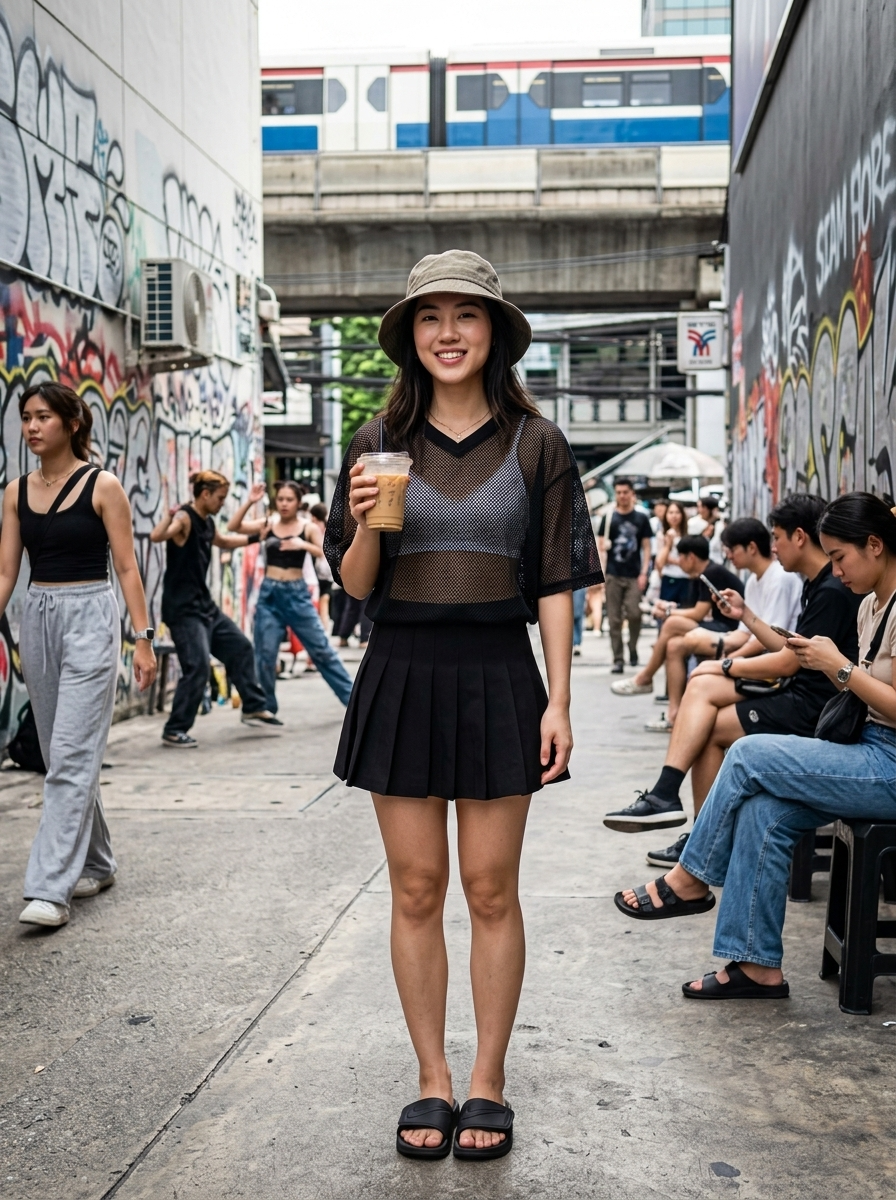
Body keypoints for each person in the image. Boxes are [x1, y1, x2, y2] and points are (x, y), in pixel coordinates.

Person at [324, 250, 603, 1161]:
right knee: (415, 888)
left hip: (498, 670)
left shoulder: (537, 443)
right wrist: (368, 517)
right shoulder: (372, 443)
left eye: (467, 315)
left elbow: (557, 582)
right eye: (430, 316)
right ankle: (430, 1081)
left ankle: (487, 1079)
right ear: (410, 335)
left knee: (490, 889)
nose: (448, 332)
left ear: (495, 334)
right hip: (400, 665)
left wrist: (560, 699)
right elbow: (356, 585)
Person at [614, 492, 896, 1001]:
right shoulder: (871, 605)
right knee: (764, 811)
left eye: (841, 557)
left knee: (746, 752)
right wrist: (817, 659)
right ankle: (755, 965)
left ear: (875, 545)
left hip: (888, 764)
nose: (836, 570)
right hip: (865, 749)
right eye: (830, 558)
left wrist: (839, 667)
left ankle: (690, 879)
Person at [603, 494, 861, 858]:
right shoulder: (816, 583)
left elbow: (787, 662)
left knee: (706, 704)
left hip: (813, 708)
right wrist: (746, 615)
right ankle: (691, 825)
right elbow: (788, 647)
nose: (775, 547)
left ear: (800, 536)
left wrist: (725, 664)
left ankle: (688, 822)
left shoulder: (830, 590)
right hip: (800, 694)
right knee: (704, 708)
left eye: (777, 537)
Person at [0, 382, 157, 928]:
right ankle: (97, 859)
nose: (33, 427)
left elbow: (128, 568)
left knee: (68, 756)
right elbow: (5, 572)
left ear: (70, 422)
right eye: (25, 418)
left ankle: (48, 888)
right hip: (38, 618)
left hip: (91, 614)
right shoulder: (16, 491)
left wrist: (143, 637)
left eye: (43, 416)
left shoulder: (102, 484)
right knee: (59, 752)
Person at [150, 470, 281, 748]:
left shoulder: (206, 522)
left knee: (240, 647)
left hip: (204, 606)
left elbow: (223, 541)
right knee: (197, 667)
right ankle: (175, 729)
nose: (222, 503)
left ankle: (253, 706)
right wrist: (167, 516)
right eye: (220, 498)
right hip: (183, 611)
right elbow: (158, 536)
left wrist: (257, 538)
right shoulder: (184, 518)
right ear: (205, 494)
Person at [226, 481, 353, 710]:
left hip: (297, 594)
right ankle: (265, 708)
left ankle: (355, 702)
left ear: (298, 503)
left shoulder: (307, 527)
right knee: (265, 656)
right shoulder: (268, 523)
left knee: (322, 651)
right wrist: (250, 502)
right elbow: (234, 526)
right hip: (269, 595)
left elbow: (325, 552)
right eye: (281, 499)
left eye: (289, 500)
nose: (284, 504)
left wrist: (301, 545)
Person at [610, 535, 744, 711]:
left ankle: (645, 677)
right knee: (674, 646)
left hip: (730, 631)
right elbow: (691, 609)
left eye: (680, 557)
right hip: (716, 628)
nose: (678, 562)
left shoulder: (712, 573)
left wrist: (667, 613)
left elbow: (697, 613)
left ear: (691, 557)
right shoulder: (698, 576)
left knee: (672, 623)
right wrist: (669, 608)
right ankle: (675, 714)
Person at [597, 478, 653, 673]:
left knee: (635, 613)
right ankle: (618, 658)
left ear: (631, 494)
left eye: (625, 492)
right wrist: (601, 572)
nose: (622, 496)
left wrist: (644, 572)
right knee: (614, 619)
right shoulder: (609, 518)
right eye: (618, 492)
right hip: (613, 573)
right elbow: (601, 548)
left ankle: (633, 647)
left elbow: (646, 547)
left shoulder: (641, 518)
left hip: (634, 574)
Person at [655, 500, 692, 608]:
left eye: (677, 512)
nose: (674, 516)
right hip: (669, 577)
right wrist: (668, 544)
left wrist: (673, 561)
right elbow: (660, 561)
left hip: (686, 578)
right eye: (671, 513)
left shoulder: (688, 534)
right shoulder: (662, 535)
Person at [310, 502, 334, 628]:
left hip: (317, 569)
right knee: (325, 599)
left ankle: (320, 625)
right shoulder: (328, 527)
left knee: (317, 599)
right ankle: (324, 624)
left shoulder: (313, 528)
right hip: (328, 569)